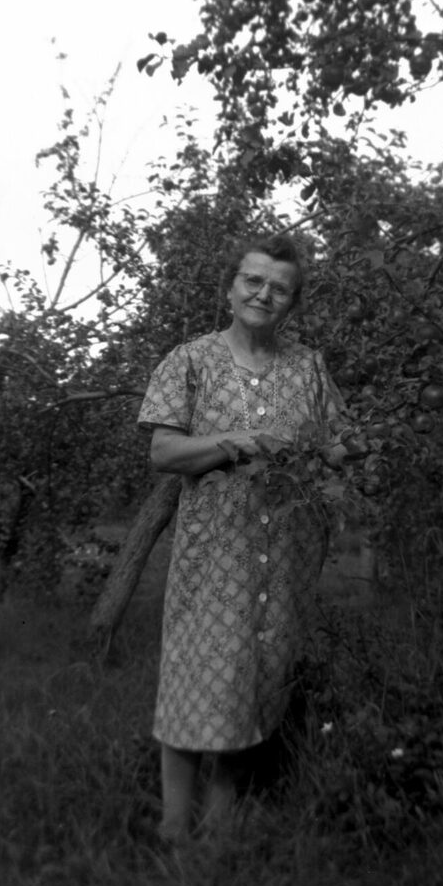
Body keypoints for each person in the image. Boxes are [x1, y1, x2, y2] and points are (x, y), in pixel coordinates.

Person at [137, 233, 345, 842]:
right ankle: (176, 829)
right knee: (193, 679)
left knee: (253, 682)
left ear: (292, 303)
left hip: (284, 556)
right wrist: (237, 444)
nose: (264, 293)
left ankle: (221, 829)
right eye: (253, 281)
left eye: (280, 287)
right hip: (214, 557)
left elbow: (336, 443)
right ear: (231, 288)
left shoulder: (309, 368)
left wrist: (370, 442)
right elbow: (163, 450)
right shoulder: (191, 360)